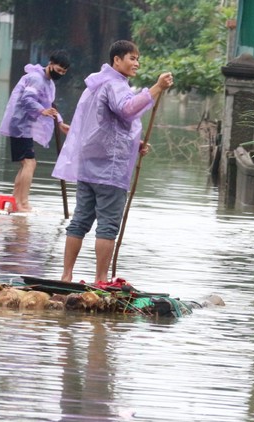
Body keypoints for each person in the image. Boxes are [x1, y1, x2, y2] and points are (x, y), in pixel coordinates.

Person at [52, 40, 173, 283]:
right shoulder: (114, 84)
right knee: (107, 226)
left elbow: (102, 126)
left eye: (138, 59)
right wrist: (156, 88)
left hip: (88, 166)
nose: (136, 63)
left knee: (80, 220)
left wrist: (134, 144)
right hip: (110, 170)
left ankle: (66, 276)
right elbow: (127, 110)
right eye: (131, 58)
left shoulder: (95, 84)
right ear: (116, 60)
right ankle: (101, 279)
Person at [0, 50, 71, 212]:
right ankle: (21, 203)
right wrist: (41, 111)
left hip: (25, 126)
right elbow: (27, 99)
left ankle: (15, 203)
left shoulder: (48, 82)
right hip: (19, 124)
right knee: (29, 163)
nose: (60, 74)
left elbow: (49, 105)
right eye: (58, 70)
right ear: (51, 63)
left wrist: (60, 122)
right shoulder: (37, 79)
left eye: (63, 72)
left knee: (27, 164)